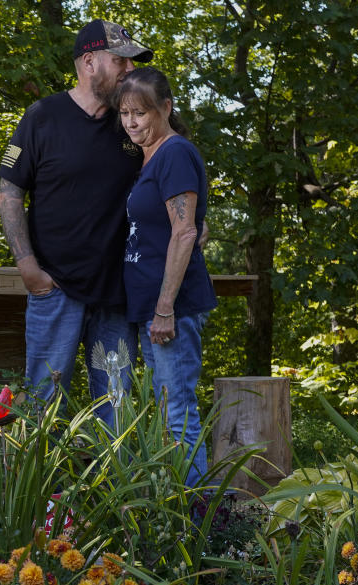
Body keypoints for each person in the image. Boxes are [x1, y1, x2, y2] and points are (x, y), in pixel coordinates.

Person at [0, 19, 153, 423]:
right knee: (42, 403)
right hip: (56, 288)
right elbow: (9, 192)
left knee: (117, 407)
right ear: (89, 62)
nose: (129, 71)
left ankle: (113, 487)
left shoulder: (132, 122)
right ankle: (38, 488)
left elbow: (171, 171)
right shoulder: (43, 116)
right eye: (120, 61)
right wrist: (27, 267)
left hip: (117, 295)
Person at [114, 67, 218, 487]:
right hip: (150, 307)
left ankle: (196, 526)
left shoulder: (174, 152)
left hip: (171, 308)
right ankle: (173, 522)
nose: (132, 122)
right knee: (164, 416)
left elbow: (186, 230)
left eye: (141, 112)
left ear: (167, 108)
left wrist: (164, 308)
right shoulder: (149, 158)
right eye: (124, 113)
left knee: (178, 416)